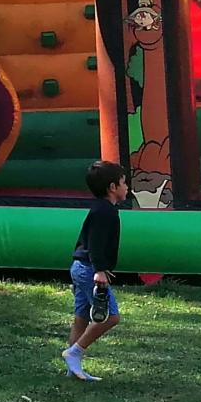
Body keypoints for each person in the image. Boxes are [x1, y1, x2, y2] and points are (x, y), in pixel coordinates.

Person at [64, 160, 157, 380]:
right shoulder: (105, 212)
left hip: (80, 267)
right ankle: (74, 352)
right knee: (110, 317)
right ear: (113, 187)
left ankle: (72, 370)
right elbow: (95, 243)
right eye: (124, 182)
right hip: (89, 270)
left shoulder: (102, 209)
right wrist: (100, 270)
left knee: (81, 317)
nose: (127, 187)